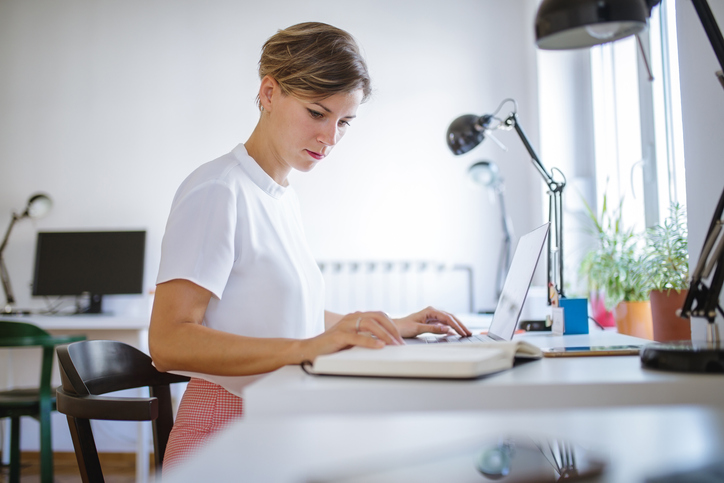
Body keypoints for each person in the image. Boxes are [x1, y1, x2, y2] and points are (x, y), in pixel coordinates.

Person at [148, 21, 471, 471]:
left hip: (278, 425)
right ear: (268, 92)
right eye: (317, 113)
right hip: (224, 435)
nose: (331, 137)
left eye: (344, 122)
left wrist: (386, 325)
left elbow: (278, 313)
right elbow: (168, 342)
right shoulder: (218, 191)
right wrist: (308, 347)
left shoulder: (280, 197)